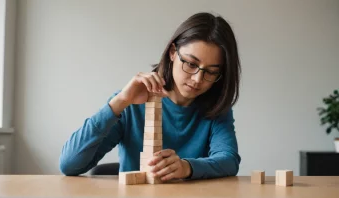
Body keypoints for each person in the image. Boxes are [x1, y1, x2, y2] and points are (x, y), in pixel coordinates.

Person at [60, 12, 241, 181]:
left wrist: (186, 167)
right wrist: (120, 101)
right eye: (191, 64)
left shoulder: (216, 108)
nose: (197, 79)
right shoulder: (130, 102)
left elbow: (229, 160)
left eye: (210, 72)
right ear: (172, 52)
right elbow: (69, 165)